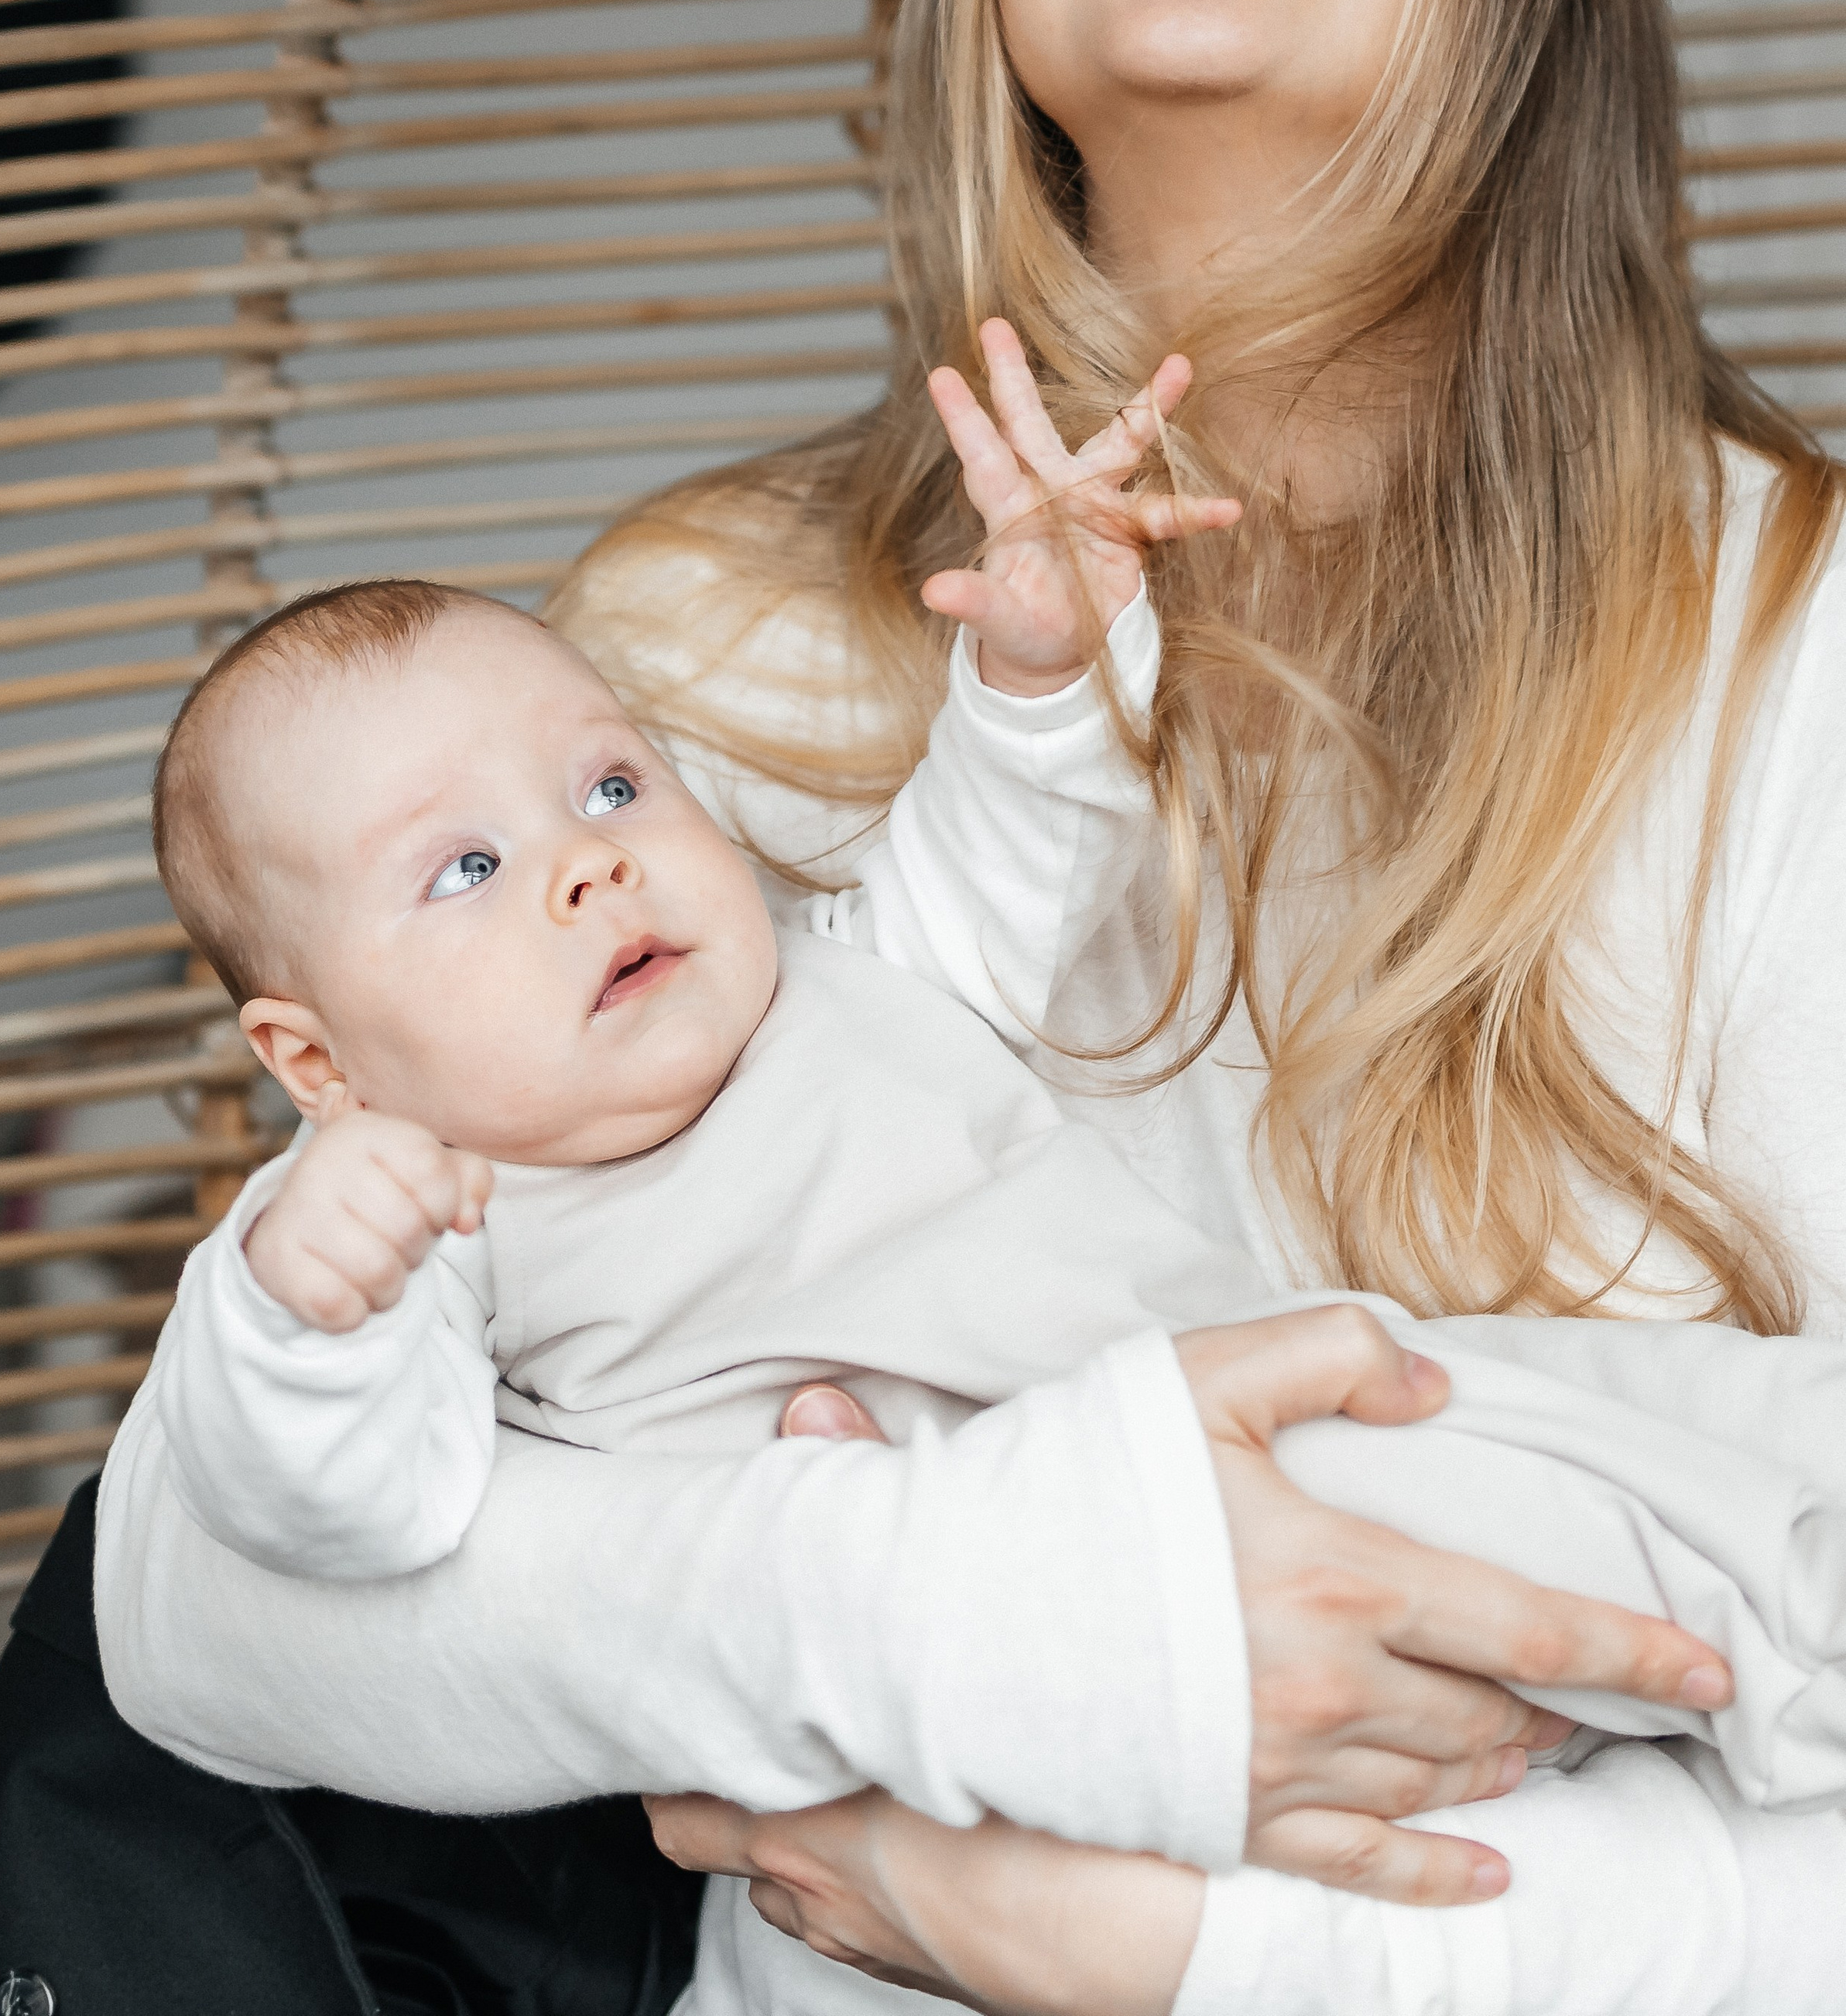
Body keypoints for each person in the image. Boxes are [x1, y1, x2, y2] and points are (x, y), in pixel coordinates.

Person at [66, 0, 1846, 2013]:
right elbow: (224, 1594)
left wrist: (1147, 1936)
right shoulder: (698, 656)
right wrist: (999, 1622)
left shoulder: (1797, 649)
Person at [135, 419, 1846, 2016]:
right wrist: (297, 1306)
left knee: (1584, 1406)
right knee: (1511, 1498)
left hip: (1234, 1480)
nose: (587, 866)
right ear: (314, 1059)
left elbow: (992, 858)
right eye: (464, 870)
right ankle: (1788, 1643)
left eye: (606, 788)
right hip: (924, 1759)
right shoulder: (430, 1213)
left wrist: (1034, 679)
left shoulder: (841, 987)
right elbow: (330, 1512)